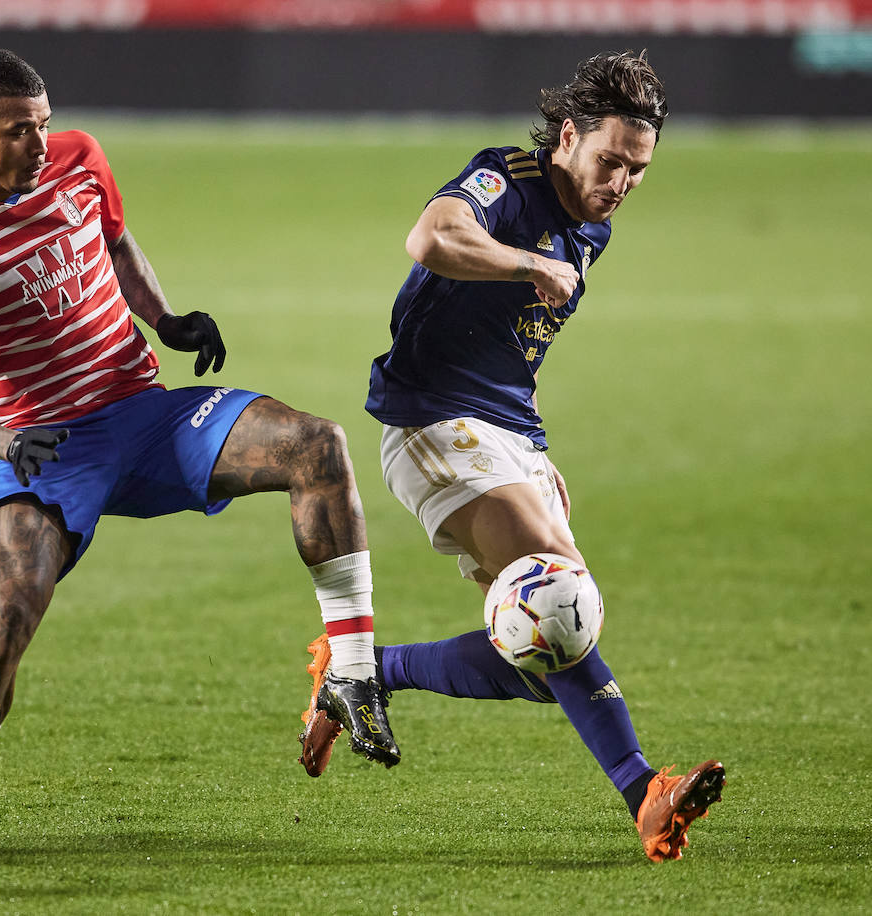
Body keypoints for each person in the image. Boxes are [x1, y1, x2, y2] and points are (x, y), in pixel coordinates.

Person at [0, 49, 399, 860]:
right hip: (44, 451)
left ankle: (353, 672)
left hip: (146, 417)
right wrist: (6, 442)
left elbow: (118, 246)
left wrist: (164, 321)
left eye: (44, 124)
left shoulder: (80, 160)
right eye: (17, 131)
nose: (39, 143)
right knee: (4, 624)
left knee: (317, 445)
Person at [298, 51, 723, 862]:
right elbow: (431, 236)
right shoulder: (508, 179)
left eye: (638, 169)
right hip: (433, 424)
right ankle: (645, 794)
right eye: (610, 161)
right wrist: (528, 261)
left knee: (547, 652)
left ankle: (365, 671)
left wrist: (531, 442)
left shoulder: (593, 226)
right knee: (560, 605)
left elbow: (506, 346)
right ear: (567, 137)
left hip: (507, 432)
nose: (622, 182)